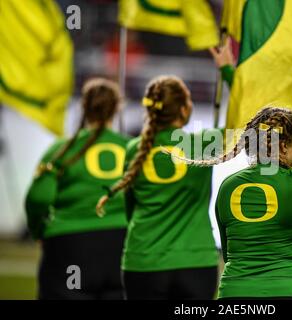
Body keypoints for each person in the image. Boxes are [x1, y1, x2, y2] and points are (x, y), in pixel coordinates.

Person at [173, 106, 292, 299]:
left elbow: (228, 253)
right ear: (282, 146)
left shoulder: (228, 185)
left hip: (235, 294)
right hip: (290, 291)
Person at [96, 75, 220, 300]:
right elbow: (242, 120)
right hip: (196, 262)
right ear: (183, 110)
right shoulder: (204, 142)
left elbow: (129, 211)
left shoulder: (134, 149)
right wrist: (227, 70)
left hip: (143, 261)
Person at [25, 78, 130, 299]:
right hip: (122, 248)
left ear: (84, 106)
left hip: (72, 249)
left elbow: (38, 198)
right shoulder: (131, 148)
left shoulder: (62, 149)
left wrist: (38, 231)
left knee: (72, 291)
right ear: (116, 108)